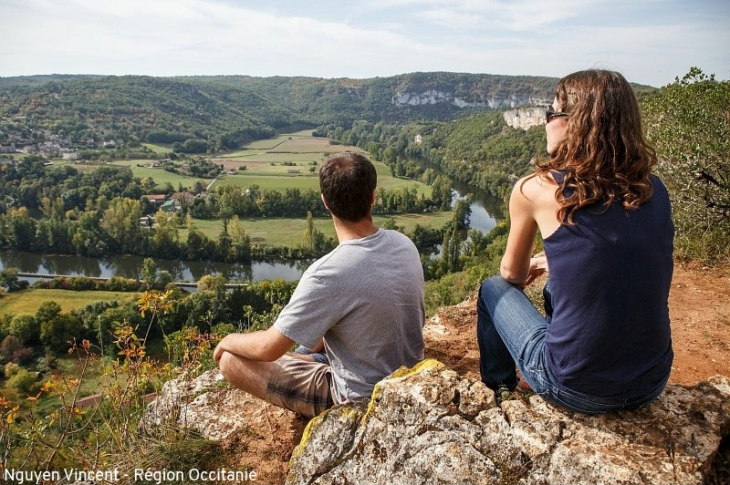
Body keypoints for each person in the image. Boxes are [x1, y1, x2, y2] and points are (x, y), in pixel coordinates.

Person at [477, 69, 674, 413]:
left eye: (551, 113)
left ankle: (503, 388)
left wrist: (531, 266)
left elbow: (510, 274)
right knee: (558, 288)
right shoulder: (653, 189)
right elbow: (614, 250)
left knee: (492, 289)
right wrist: (555, 261)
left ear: (575, 122)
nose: (546, 122)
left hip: (573, 387)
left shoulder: (535, 189)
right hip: (651, 382)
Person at [215, 152, 425, 418]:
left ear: (325, 202)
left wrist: (228, 340)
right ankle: (308, 360)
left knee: (231, 361)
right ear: (373, 196)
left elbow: (267, 349)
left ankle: (311, 369)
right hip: (410, 374)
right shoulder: (404, 244)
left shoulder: (328, 273)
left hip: (360, 399)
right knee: (320, 331)